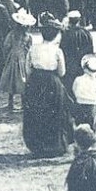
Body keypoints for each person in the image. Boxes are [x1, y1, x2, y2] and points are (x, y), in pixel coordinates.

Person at [22, 15, 73, 158]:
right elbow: (62, 72)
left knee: (36, 113)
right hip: (52, 82)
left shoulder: (33, 49)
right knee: (55, 113)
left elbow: (27, 70)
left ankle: (37, 145)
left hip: (35, 82)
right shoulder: (57, 51)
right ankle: (54, 145)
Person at [0, 8, 33, 112]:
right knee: (23, 79)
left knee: (11, 79)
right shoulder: (28, 36)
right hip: (23, 58)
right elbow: (30, 48)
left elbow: (6, 45)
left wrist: (7, 55)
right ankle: (23, 103)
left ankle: (10, 102)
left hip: (13, 57)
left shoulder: (12, 34)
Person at [71, 54, 96, 131]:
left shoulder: (78, 79)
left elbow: (74, 89)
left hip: (79, 105)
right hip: (92, 106)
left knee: (80, 126)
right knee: (91, 127)